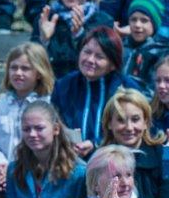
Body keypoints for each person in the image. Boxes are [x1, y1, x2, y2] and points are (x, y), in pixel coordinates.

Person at [50, 26, 145, 157]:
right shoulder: (64, 85)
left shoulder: (127, 88)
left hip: (116, 162)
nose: (90, 60)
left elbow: (136, 130)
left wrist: (96, 144)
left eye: (99, 56)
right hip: (70, 161)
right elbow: (55, 123)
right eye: (87, 52)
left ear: (112, 64)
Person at [100, 88, 169, 198]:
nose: (129, 127)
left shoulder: (167, 155)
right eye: (120, 120)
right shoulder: (99, 159)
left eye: (135, 119)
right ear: (109, 124)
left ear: (146, 122)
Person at [0, 42, 53, 191]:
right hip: (3, 173)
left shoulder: (49, 104)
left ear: (39, 73)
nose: (18, 73)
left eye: (25, 68)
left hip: (38, 174)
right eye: (13, 67)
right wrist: (1, 166)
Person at [37, 0, 113, 78]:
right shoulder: (47, 18)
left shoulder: (103, 22)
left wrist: (79, 36)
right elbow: (32, 62)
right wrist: (44, 41)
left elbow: (100, 64)